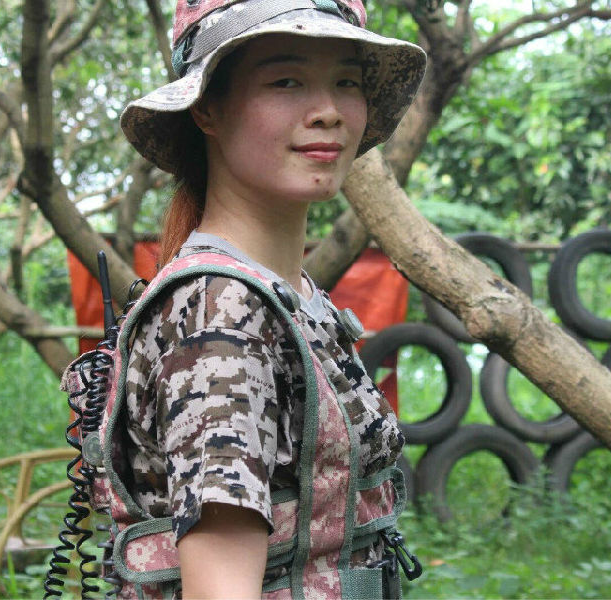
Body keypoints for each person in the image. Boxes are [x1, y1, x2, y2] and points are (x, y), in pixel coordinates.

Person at [106, 1, 427, 597]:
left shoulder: (287, 294)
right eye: (286, 81)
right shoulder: (220, 313)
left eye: (346, 82)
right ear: (207, 107)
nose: (328, 111)